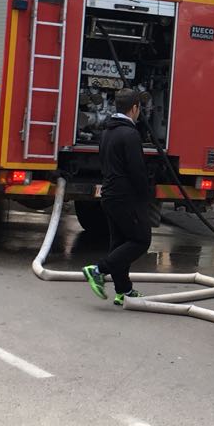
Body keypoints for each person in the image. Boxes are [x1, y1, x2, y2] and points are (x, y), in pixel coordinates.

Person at [82, 87, 155, 304]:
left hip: (110, 195)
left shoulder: (107, 132)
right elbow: (136, 170)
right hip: (126, 197)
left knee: (120, 243)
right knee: (141, 239)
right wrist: (146, 196)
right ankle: (97, 270)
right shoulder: (130, 134)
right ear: (135, 108)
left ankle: (124, 291)